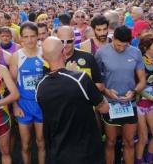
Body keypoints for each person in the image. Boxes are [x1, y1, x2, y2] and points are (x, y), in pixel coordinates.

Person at [36, 36, 109, 164]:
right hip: (86, 151)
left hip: (58, 152)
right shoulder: (80, 78)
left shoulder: (39, 86)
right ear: (63, 52)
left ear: (44, 57)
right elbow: (104, 108)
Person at [95, 26, 146, 164]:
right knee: (111, 142)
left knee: (129, 142)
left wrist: (134, 92)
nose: (122, 48)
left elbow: (142, 81)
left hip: (129, 103)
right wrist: (106, 91)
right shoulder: (101, 53)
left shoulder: (135, 53)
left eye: (125, 45)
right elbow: (96, 81)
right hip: (110, 103)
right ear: (113, 39)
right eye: (118, 45)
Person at [9, 22, 45, 164]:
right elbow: (12, 84)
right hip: (24, 104)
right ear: (21, 38)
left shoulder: (44, 53)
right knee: (25, 143)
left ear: (37, 37)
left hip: (41, 104)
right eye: (26, 37)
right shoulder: (16, 56)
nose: (29, 40)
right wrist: (15, 106)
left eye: (33, 36)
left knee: (41, 142)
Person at [135, 33, 153, 164]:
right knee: (143, 138)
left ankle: (149, 157)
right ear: (147, 47)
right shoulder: (139, 61)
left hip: (151, 103)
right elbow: (137, 87)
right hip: (139, 104)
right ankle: (139, 159)